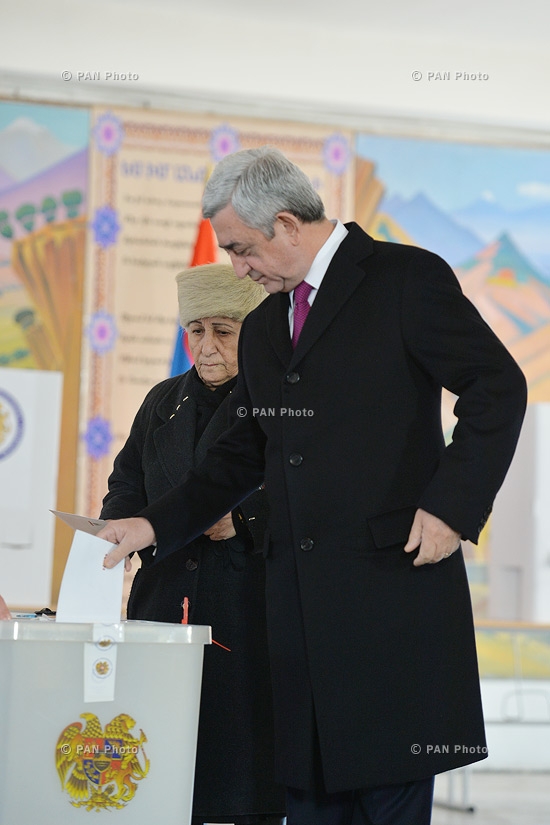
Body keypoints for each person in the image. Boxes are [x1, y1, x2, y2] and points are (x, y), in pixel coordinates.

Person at [99, 147, 527, 825]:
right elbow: (240, 456)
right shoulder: (269, 323)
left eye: (242, 248)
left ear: (289, 225)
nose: (237, 268)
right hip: (296, 630)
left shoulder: (405, 280)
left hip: (389, 606)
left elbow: (497, 386)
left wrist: (451, 506)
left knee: (385, 797)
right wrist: (150, 524)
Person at [100, 262, 285, 825]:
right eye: (196, 330)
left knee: (240, 769)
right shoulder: (161, 401)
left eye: (223, 331)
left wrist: (242, 523)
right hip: (162, 609)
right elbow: (126, 482)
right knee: (160, 762)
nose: (206, 346)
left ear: (253, 332)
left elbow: (309, 504)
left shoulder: (281, 405)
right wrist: (112, 530)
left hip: (246, 614)